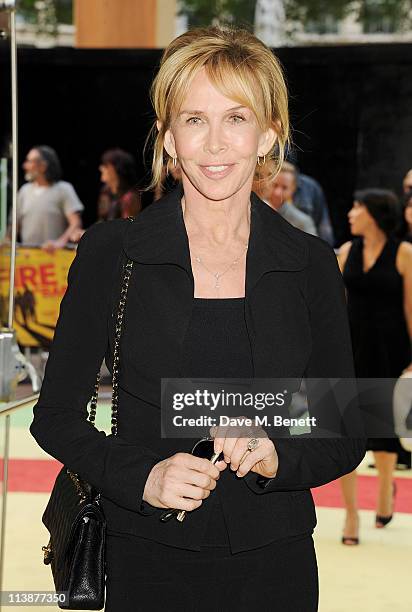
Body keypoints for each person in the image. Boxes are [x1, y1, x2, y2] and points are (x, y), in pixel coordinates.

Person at [30, 26, 365, 611]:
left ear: (269, 134)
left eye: (236, 118)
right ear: (167, 135)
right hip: (144, 559)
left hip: (276, 563)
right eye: (194, 119)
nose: (215, 144)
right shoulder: (113, 253)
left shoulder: (309, 264)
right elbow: (55, 415)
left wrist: (278, 454)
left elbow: (344, 428)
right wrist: (143, 477)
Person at [337, 188, 412, 545]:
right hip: (351, 351)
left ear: (375, 213)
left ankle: (385, 492)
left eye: (358, 207)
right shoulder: (347, 252)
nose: (351, 213)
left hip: (390, 354)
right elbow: (333, 307)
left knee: (384, 435)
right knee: (347, 432)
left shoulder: (405, 253)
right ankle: (351, 514)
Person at [11, 146, 84, 252]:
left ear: (43, 166)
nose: (25, 166)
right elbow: (14, 225)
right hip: (27, 259)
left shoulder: (63, 189)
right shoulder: (24, 191)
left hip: (55, 259)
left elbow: (75, 222)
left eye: (29, 161)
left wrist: (59, 242)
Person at [256, 160, 317, 235]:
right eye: (274, 185)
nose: (277, 193)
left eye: (284, 188)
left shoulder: (303, 222)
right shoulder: (254, 209)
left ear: (293, 189)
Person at [293, 168, 335, 245]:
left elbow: (323, 227)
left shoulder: (310, 187)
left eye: (284, 187)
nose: (278, 193)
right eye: (276, 186)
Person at [98, 148, 142, 220]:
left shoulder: (129, 197)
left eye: (106, 165)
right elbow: (101, 219)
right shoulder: (105, 192)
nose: (101, 168)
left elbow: (129, 225)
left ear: (115, 169)